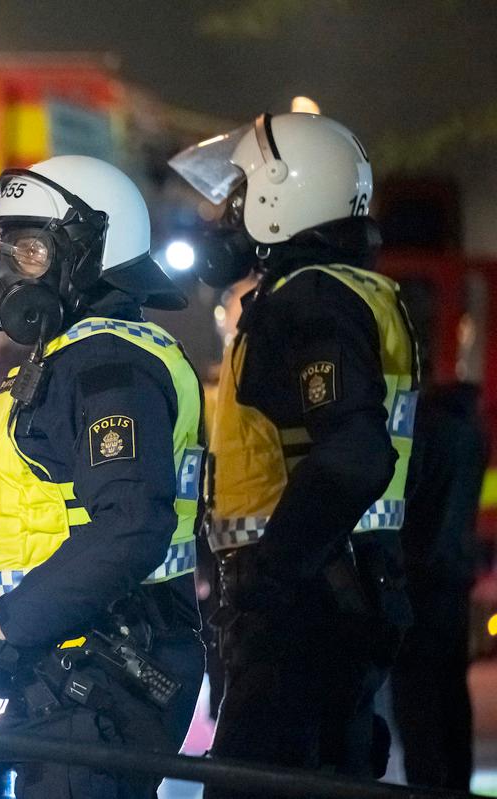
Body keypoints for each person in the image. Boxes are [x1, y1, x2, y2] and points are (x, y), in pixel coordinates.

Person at [170, 112, 416, 790]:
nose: (226, 217)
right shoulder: (356, 293)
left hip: (305, 610)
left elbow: (358, 450)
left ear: (284, 196)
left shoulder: (309, 300)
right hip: (347, 591)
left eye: (239, 197)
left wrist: (272, 579)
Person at [0, 155, 205, 798]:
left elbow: (130, 525)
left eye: (30, 250)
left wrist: (11, 626)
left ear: (94, 253)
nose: (9, 273)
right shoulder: (79, 356)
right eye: (7, 252)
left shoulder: (107, 363)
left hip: (100, 670)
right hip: (73, 670)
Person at [390, 380, 484, 790]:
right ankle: (456, 782)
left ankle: (424, 784)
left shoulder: (425, 432)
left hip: (420, 581)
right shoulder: (473, 436)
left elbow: (413, 503)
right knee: (451, 692)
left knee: (416, 699)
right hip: (454, 581)